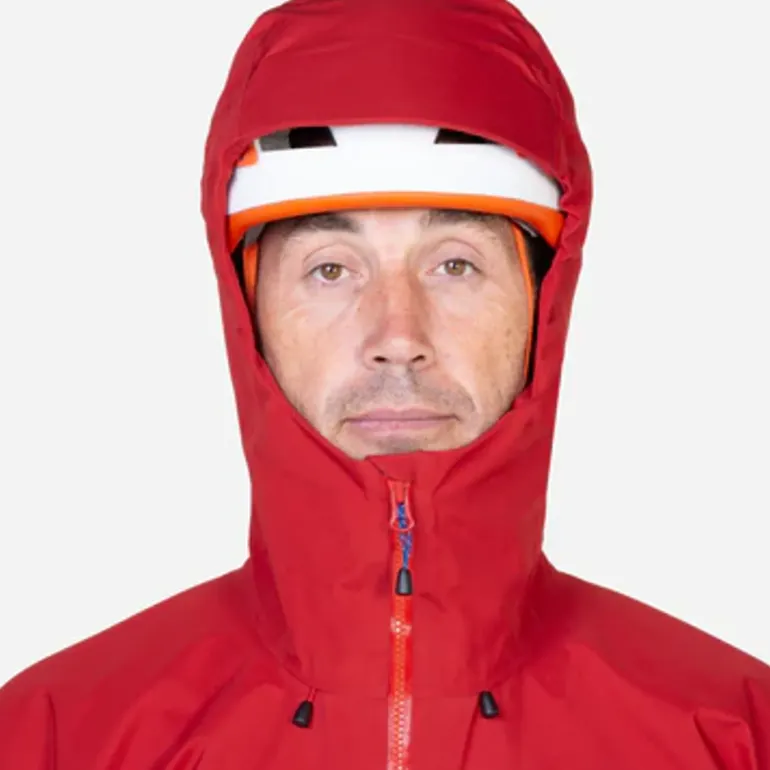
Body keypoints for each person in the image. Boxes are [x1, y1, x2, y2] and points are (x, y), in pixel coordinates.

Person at [1, 0, 768, 766]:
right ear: (248, 313)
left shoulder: (732, 733)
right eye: (331, 269)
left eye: (455, 264)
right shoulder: (60, 737)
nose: (398, 338)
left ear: (543, 306)